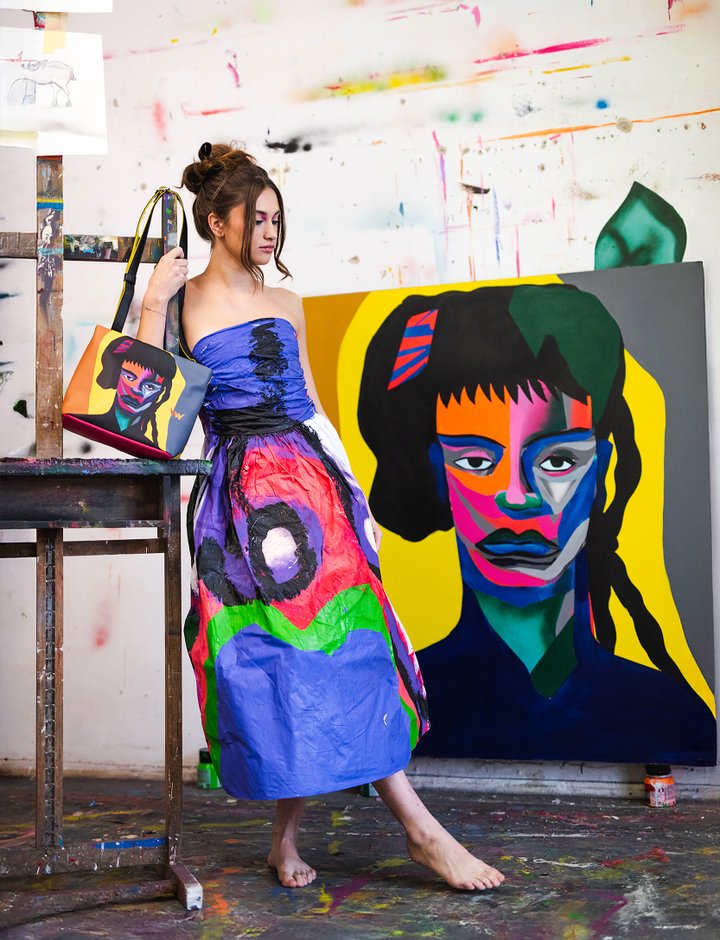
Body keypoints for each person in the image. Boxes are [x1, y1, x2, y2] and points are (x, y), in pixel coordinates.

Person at [137, 142, 505, 892]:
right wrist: (150, 304)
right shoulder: (179, 300)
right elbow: (144, 396)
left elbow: (312, 408)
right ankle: (417, 832)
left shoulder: (288, 303)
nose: (270, 231)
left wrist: (353, 494)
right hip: (240, 506)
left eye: (276, 218)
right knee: (283, 662)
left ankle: (306, 841)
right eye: (256, 218)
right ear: (216, 222)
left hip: (313, 490)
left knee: (345, 650)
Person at [357, 284, 716, 765]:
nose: (516, 496)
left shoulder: (673, 718)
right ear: (439, 475)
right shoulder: (404, 706)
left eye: (558, 461)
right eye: (477, 461)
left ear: (601, 472)